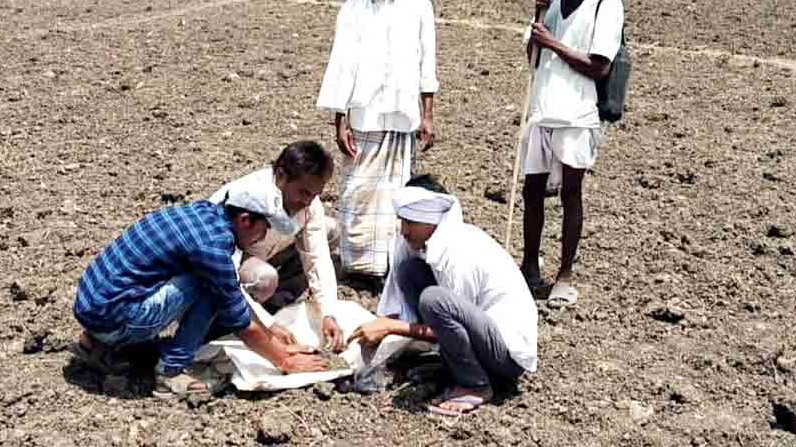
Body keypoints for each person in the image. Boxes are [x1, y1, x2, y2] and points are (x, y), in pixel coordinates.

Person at [72, 195, 329, 399]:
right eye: (264, 230)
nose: (262, 239)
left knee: (212, 282)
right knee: (209, 287)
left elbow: (232, 294)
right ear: (244, 220)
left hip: (94, 307)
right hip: (115, 321)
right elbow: (239, 320)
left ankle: (94, 343)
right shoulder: (212, 247)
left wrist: (272, 334)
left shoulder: (204, 214)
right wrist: (285, 360)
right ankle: (170, 373)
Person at [348, 179, 538, 417]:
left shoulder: (458, 252)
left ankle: (475, 384)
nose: (404, 231)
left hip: (505, 358)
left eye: (410, 223)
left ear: (430, 220)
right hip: (481, 336)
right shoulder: (423, 242)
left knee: (433, 300)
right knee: (409, 271)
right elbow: (396, 304)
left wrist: (391, 327)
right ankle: (449, 366)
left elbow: (449, 326)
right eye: (402, 222)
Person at [316, 0, 439, 277]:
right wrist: (340, 121)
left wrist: (427, 116)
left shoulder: (419, 8)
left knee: (396, 193)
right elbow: (341, 65)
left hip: (402, 116)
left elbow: (426, 64)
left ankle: (388, 266)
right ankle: (357, 264)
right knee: (357, 190)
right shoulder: (353, 8)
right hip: (364, 115)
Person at [519, 0, 624, 305]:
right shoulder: (552, 0)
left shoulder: (606, 6)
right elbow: (533, 57)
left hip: (577, 115)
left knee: (570, 193)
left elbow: (599, 66)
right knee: (532, 191)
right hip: (542, 110)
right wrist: (537, 18)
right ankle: (529, 266)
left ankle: (564, 275)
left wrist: (553, 42)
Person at [209, 140, 346, 352]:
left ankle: (275, 301)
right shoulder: (246, 198)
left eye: (314, 195)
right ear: (281, 175)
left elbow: (317, 257)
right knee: (264, 279)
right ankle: (233, 320)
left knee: (330, 230)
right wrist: (267, 324)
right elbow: (221, 269)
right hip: (226, 266)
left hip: (268, 253)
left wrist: (328, 314)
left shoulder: (308, 203)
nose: (308, 201)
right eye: (303, 192)